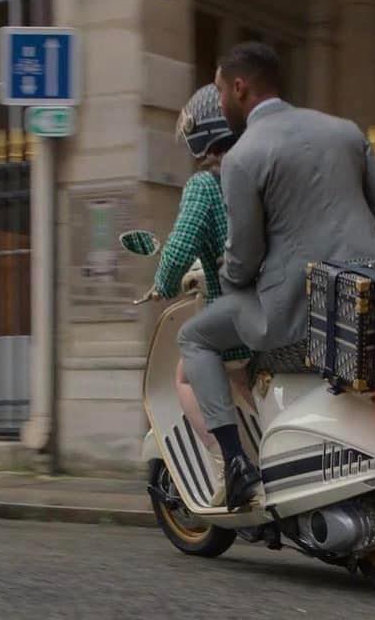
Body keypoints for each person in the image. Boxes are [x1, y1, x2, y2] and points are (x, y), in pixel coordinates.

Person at [178, 42, 375, 511]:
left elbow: (243, 258)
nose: (219, 102)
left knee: (195, 338)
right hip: (373, 297)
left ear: (239, 88)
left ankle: (236, 464)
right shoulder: (344, 130)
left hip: (301, 316)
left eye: (220, 92)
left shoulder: (244, 156)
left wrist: (227, 274)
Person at [150, 83, 253, 469]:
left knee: (185, 374)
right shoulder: (259, 168)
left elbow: (179, 249)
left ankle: (228, 462)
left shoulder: (205, 185)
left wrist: (163, 284)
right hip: (286, 304)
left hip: (241, 322)